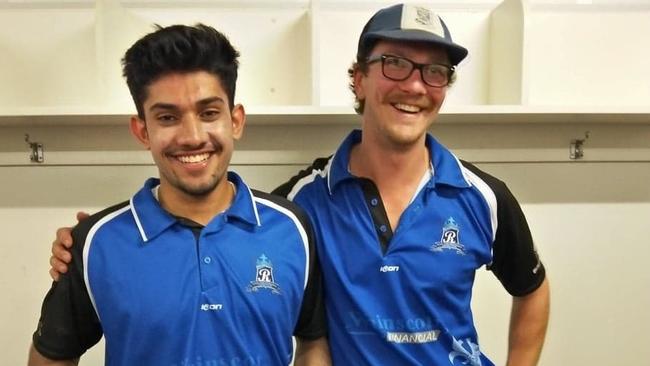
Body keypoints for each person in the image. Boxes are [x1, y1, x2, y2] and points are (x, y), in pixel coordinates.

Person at [48, 4, 550, 365]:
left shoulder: (483, 197)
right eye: (395, 63)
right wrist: (88, 247)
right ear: (358, 79)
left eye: (435, 72)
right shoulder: (301, 204)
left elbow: (532, 288)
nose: (415, 85)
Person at [29, 24, 330, 366]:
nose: (191, 136)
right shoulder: (94, 242)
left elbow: (314, 340)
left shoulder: (291, 227)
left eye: (209, 113)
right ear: (143, 131)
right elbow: (52, 357)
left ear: (235, 121)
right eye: (168, 117)